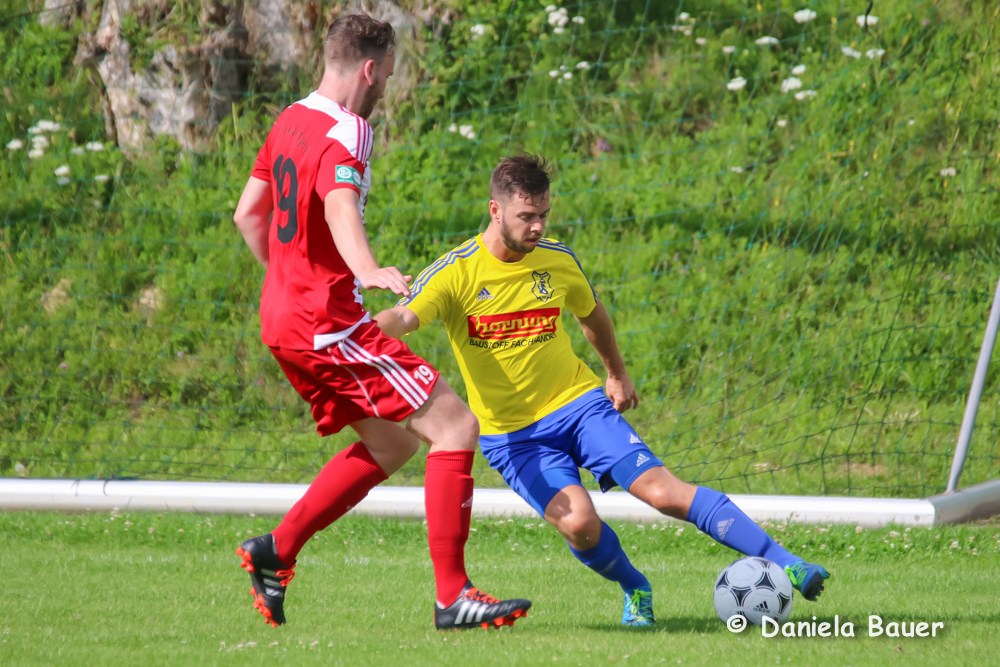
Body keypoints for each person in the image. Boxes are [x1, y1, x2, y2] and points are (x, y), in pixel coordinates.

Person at [374, 155, 830, 626]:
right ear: (495, 210)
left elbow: (591, 314)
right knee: (580, 525)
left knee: (664, 493)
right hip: (513, 437)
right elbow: (402, 317)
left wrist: (616, 373)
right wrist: (362, 334)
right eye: (526, 216)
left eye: (543, 214)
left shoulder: (556, 259)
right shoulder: (455, 272)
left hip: (578, 406)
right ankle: (636, 587)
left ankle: (789, 564)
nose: (537, 226)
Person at [231, 14, 530, 630]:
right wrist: (364, 267)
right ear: (369, 69)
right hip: (327, 323)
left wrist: (289, 281)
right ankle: (453, 597)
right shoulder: (351, 128)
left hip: (282, 318)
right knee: (455, 426)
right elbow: (340, 203)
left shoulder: (290, 118)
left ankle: (276, 550)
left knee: (393, 443)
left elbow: (247, 215)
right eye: (389, 76)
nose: (387, 89)